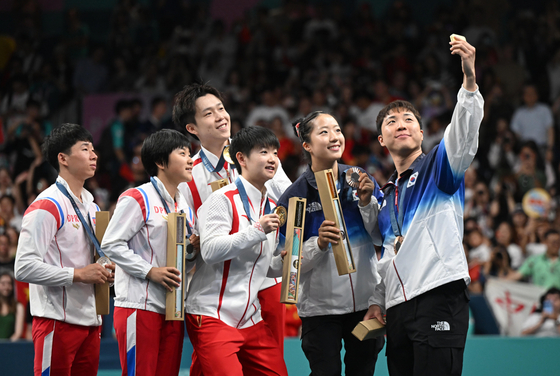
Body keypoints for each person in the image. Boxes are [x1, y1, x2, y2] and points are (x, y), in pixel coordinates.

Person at [364, 37, 483, 376]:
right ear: (381, 140)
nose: (400, 124)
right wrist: (377, 299)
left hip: (438, 294)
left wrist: (469, 82)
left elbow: (463, 134)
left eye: (407, 119)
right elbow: (389, 255)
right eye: (391, 122)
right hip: (398, 309)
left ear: (420, 131)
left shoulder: (439, 167)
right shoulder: (387, 198)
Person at [172, 83, 291, 372]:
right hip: (216, 285)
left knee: (269, 360)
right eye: (209, 113)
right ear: (192, 127)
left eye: (222, 109)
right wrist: (192, 243)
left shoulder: (258, 153)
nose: (221, 117)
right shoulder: (188, 174)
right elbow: (185, 233)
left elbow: (289, 204)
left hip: (265, 278)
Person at [275, 111, 385, 375]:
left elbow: (382, 237)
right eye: (324, 132)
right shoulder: (294, 198)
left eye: (337, 130)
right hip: (320, 312)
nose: (335, 137)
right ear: (307, 145)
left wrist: (367, 204)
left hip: (364, 304)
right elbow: (281, 266)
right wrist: (318, 244)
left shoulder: (361, 180)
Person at [15, 123, 114, 376]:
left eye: (93, 149)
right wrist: (79, 274)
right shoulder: (47, 205)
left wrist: (105, 271)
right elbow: (23, 267)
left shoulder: (91, 205)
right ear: (63, 159)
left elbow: (90, 261)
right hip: (57, 322)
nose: (94, 155)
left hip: (91, 322)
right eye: (85, 149)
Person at [101, 129, 199, 375]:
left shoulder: (184, 204)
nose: (190, 159)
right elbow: (111, 243)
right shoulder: (138, 197)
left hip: (173, 306)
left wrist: (192, 250)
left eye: (190, 154)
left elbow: (182, 258)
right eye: (182, 153)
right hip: (139, 306)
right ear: (160, 162)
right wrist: (150, 271)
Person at [0, 270, 24, 340]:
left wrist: (6, 347)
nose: (6, 287)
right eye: (3, 284)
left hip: (10, 347)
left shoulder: (18, 307)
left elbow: (18, 333)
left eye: (9, 283)